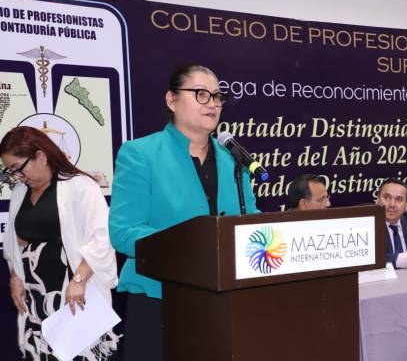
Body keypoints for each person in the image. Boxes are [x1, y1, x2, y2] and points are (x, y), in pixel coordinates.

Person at [109, 65, 259, 360]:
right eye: (201, 94)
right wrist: (193, 247)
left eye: (217, 96)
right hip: (159, 299)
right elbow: (123, 231)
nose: (213, 103)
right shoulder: (140, 154)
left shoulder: (234, 160)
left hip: (224, 300)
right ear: (171, 100)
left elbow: (250, 219)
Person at [1, 126, 119, 360]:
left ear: (41, 157)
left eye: (18, 169)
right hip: (36, 297)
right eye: (11, 172)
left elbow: (103, 238)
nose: (17, 177)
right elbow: (14, 244)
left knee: (77, 354)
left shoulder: (81, 186)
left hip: (73, 293)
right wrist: (15, 275)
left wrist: (78, 279)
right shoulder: (19, 194)